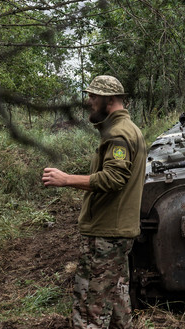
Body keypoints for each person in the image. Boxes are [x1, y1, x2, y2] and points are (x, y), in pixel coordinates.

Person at [42, 75, 146, 329]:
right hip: (116, 232)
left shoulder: (118, 133)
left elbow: (113, 179)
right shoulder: (127, 130)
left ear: (109, 100)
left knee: (90, 306)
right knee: (117, 303)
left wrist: (66, 179)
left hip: (106, 234)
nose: (88, 102)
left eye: (93, 97)